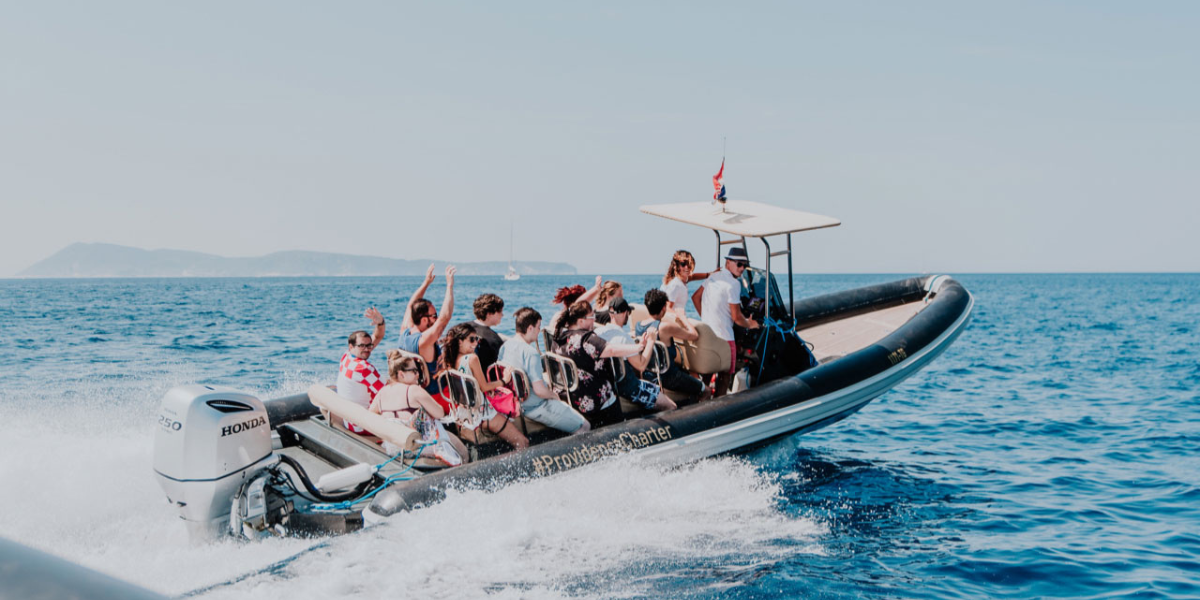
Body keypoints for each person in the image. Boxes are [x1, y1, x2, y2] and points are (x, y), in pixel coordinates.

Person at [551, 300, 659, 428]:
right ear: (581, 321)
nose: (594, 320)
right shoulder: (586, 338)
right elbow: (611, 350)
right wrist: (640, 346)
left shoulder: (558, 338)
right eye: (592, 317)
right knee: (613, 398)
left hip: (572, 395)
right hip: (595, 399)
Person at [498, 307, 590, 434]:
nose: (539, 331)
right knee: (584, 425)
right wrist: (554, 396)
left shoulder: (504, 347)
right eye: (538, 327)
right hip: (535, 407)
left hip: (516, 403)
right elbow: (540, 391)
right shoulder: (530, 353)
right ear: (530, 328)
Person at [440, 323, 530, 450]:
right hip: (484, 414)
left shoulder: (452, 360)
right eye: (471, 339)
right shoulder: (472, 358)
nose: (475, 343)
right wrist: (504, 380)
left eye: (477, 339)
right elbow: (485, 387)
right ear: (460, 341)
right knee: (523, 442)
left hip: (466, 413)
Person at [370, 353, 468, 466]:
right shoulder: (414, 390)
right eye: (414, 371)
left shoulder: (382, 393)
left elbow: (371, 415)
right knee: (462, 451)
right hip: (417, 446)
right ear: (401, 374)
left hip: (393, 447)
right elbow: (439, 413)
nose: (418, 375)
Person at [691, 247, 760, 396]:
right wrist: (751, 324)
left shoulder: (713, 277)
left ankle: (700, 402)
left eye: (745, 265)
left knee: (708, 373)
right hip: (725, 338)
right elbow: (736, 318)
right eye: (739, 264)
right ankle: (719, 404)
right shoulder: (734, 284)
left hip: (708, 334)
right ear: (728, 262)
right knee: (725, 375)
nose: (742, 268)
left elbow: (695, 297)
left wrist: (707, 318)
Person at [593, 298, 678, 412]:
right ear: (625, 313)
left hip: (610, 385)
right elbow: (641, 365)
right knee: (671, 406)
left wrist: (642, 344)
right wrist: (651, 341)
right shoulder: (624, 337)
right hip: (628, 388)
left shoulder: (598, 333)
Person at [636, 289, 710, 403]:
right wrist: (682, 317)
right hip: (669, 377)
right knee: (706, 390)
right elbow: (694, 335)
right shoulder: (664, 327)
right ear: (664, 308)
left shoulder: (639, 325)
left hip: (649, 375)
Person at [398, 264, 456, 410]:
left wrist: (426, 283)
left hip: (416, 392)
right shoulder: (423, 341)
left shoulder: (404, 333)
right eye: (433, 316)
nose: (436, 319)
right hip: (436, 398)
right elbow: (445, 318)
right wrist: (449, 286)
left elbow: (410, 306)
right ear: (424, 320)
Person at [336, 307, 386, 434]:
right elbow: (387, 393)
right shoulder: (364, 368)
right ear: (351, 346)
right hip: (362, 426)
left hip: (349, 420)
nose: (367, 349)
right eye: (362, 346)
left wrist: (380, 323)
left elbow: (378, 336)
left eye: (369, 345)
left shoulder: (346, 356)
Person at [660, 250, 709, 317]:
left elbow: (693, 277)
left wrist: (708, 275)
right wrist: (683, 319)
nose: (687, 267)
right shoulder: (675, 285)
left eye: (689, 264)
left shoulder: (681, 281)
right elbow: (666, 309)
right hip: (673, 322)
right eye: (683, 264)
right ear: (676, 266)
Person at [469, 293, 505, 370]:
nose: (502, 315)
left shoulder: (462, 328)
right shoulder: (494, 340)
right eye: (500, 312)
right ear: (489, 314)